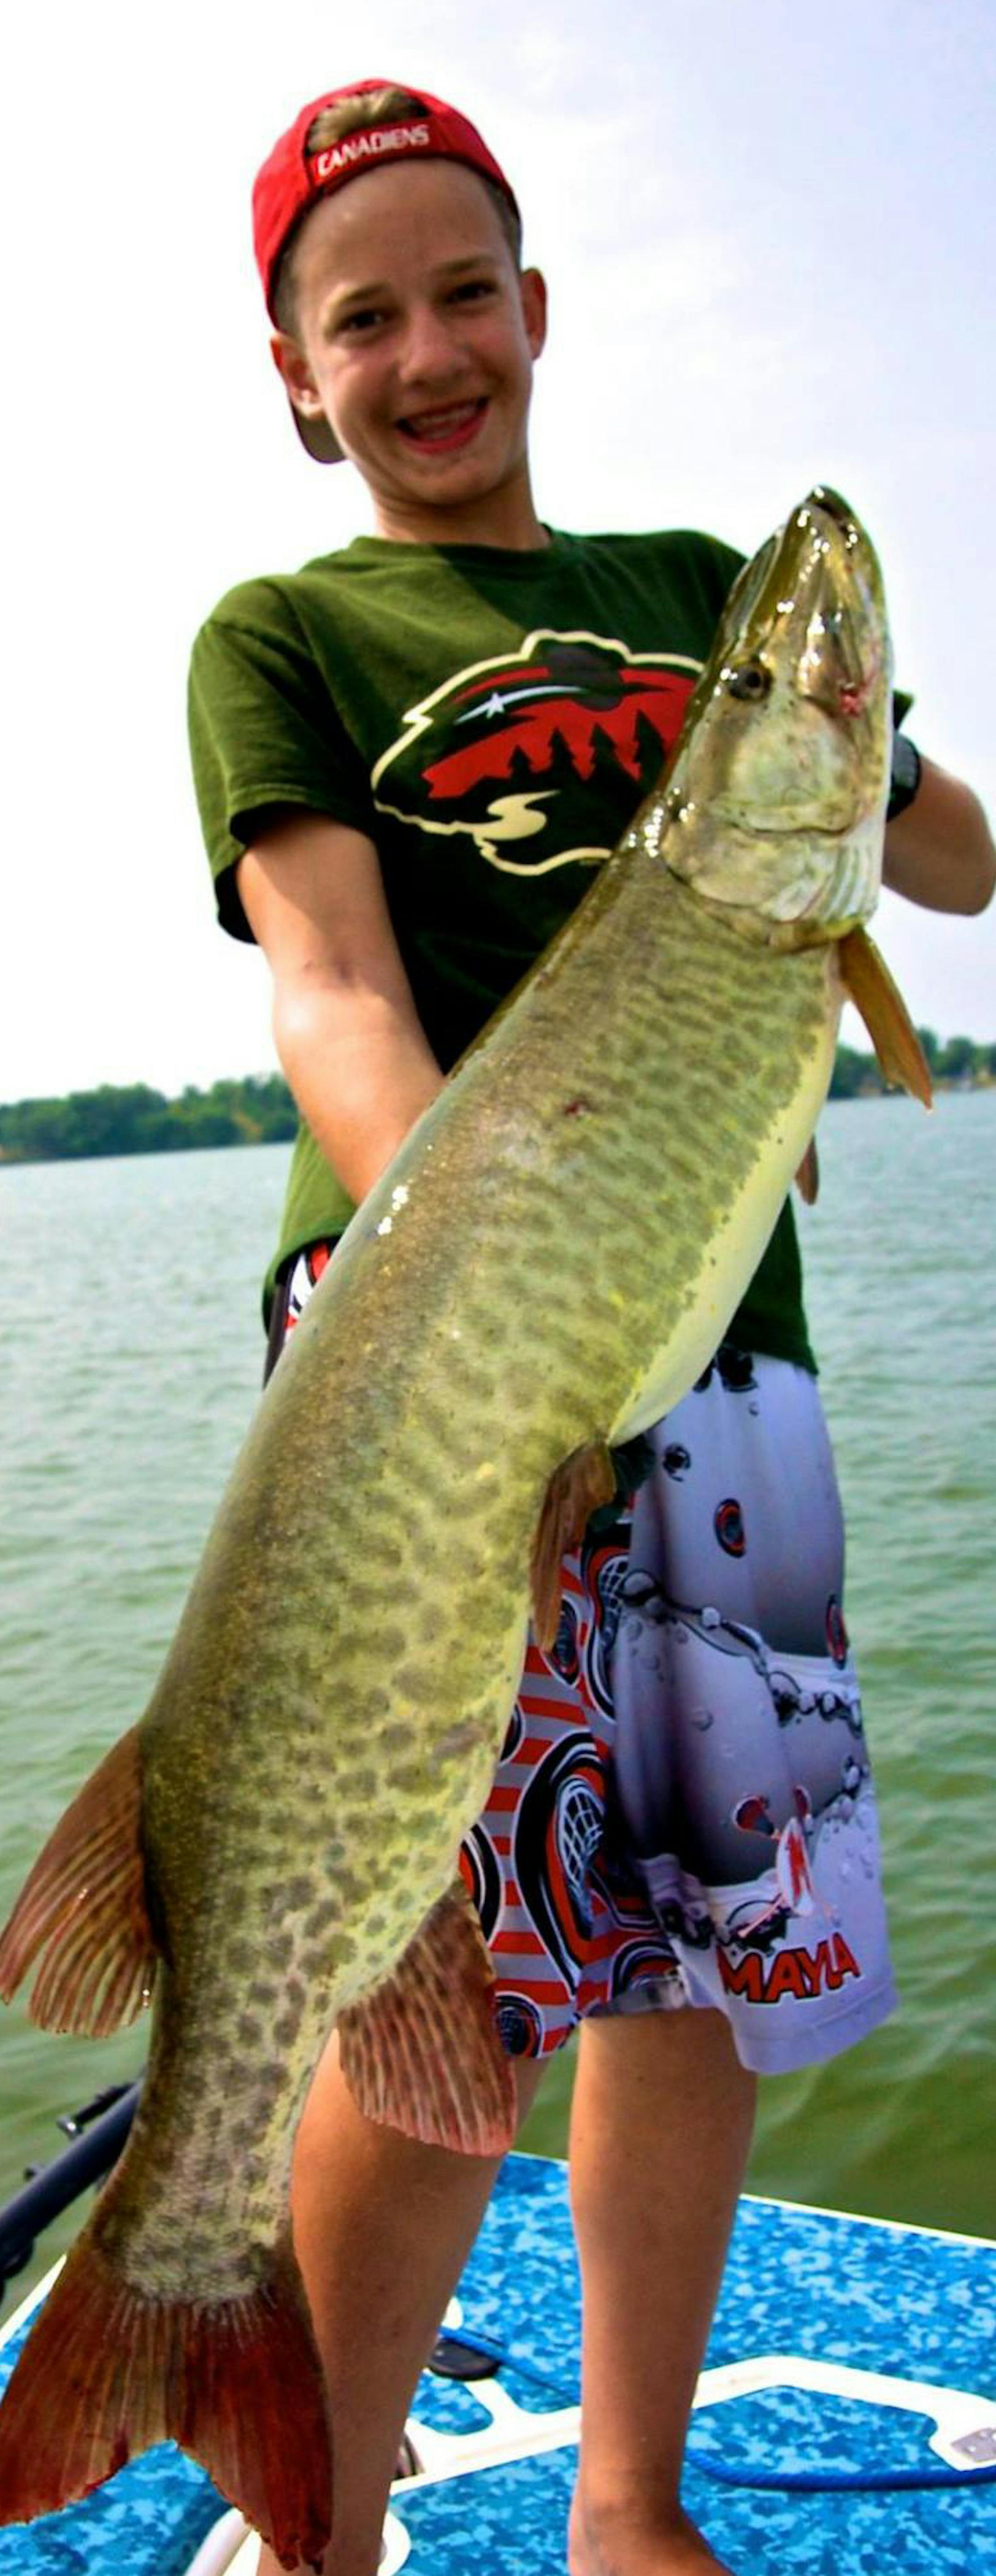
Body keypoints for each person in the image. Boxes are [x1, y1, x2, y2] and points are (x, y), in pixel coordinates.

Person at [187, 82, 995, 2576]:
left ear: (536, 316)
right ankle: (303, 2490)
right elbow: (329, 983)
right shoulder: (291, 636)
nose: (428, 350)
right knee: (432, 1974)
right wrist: (465, 1293)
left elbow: (947, 861)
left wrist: (839, 721)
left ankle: (623, 2502)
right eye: (367, 318)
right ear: (300, 377)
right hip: (431, 1359)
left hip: (713, 1364)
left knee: (695, 1964)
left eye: (465, 295)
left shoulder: (678, 589)